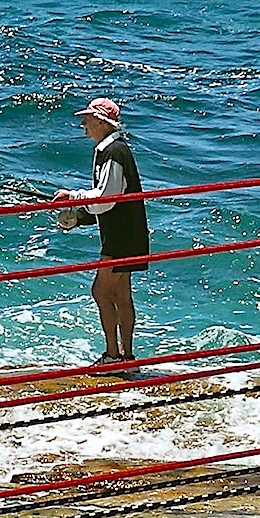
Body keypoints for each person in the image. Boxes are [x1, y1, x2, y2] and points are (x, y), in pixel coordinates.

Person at [52, 96, 148, 366]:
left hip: (119, 237)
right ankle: (127, 356)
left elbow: (106, 198)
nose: (84, 125)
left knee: (101, 292)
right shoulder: (115, 149)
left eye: (88, 120)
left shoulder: (113, 152)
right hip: (129, 232)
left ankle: (112, 356)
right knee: (121, 293)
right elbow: (111, 200)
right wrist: (80, 217)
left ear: (102, 122)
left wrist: (72, 197)